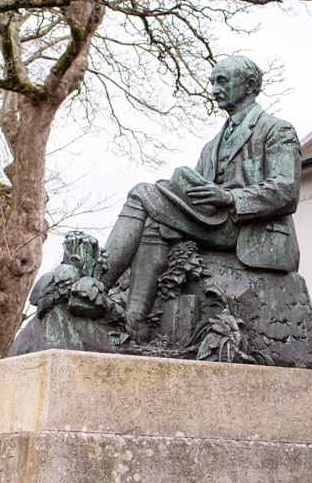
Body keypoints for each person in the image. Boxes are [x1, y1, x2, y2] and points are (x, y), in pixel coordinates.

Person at [102, 55, 301, 339]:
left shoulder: (277, 130)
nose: (214, 89)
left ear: (249, 85)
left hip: (252, 229)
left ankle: (96, 286)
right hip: (213, 222)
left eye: (221, 81)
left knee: (140, 193)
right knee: (156, 221)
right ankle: (135, 321)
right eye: (212, 82)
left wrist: (231, 198)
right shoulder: (211, 146)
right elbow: (198, 195)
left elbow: (286, 191)